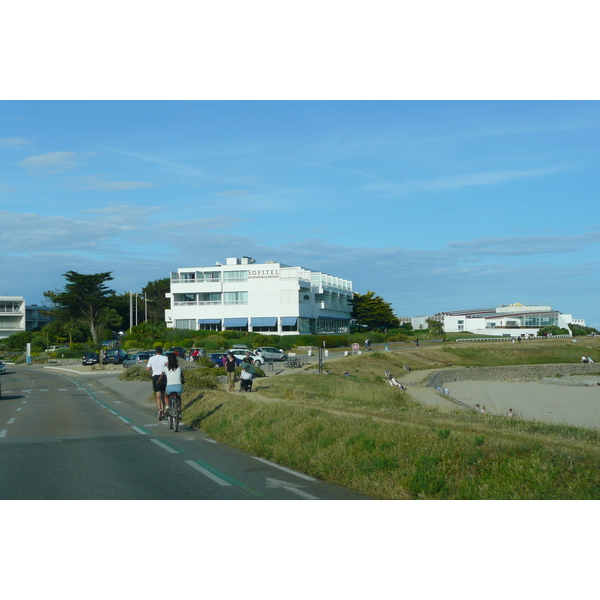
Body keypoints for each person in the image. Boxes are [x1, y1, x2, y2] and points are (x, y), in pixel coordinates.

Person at [158, 352, 185, 419]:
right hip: (178, 387)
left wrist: (159, 381)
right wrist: (183, 381)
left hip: (169, 387)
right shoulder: (179, 368)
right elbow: (182, 377)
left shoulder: (166, 368)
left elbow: (161, 377)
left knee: (166, 396)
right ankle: (179, 410)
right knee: (178, 397)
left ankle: (167, 406)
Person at [146, 346, 168, 420]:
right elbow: (168, 364)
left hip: (155, 376)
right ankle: (163, 410)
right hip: (163, 376)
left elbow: (148, 368)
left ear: (155, 351)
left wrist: (152, 367)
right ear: (162, 351)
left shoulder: (151, 358)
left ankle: (159, 409)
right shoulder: (165, 358)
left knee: (157, 394)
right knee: (163, 394)